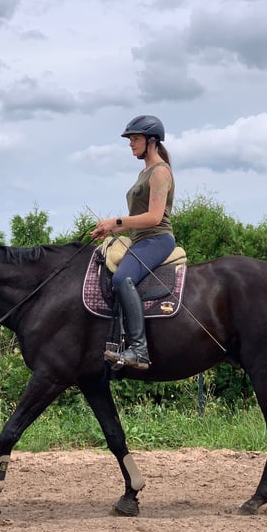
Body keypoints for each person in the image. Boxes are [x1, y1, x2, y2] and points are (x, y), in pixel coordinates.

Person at [90, 115, 176, 370]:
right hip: (140, 240)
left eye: (135, 139)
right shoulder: (144, 172)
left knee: (121, 279)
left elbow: (154, 217)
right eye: (130, 139)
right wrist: (110, 228)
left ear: (152, 141)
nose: (130, 144)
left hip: (157, 240)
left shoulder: (160, 172)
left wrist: (116, 222)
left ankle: (139, 349)